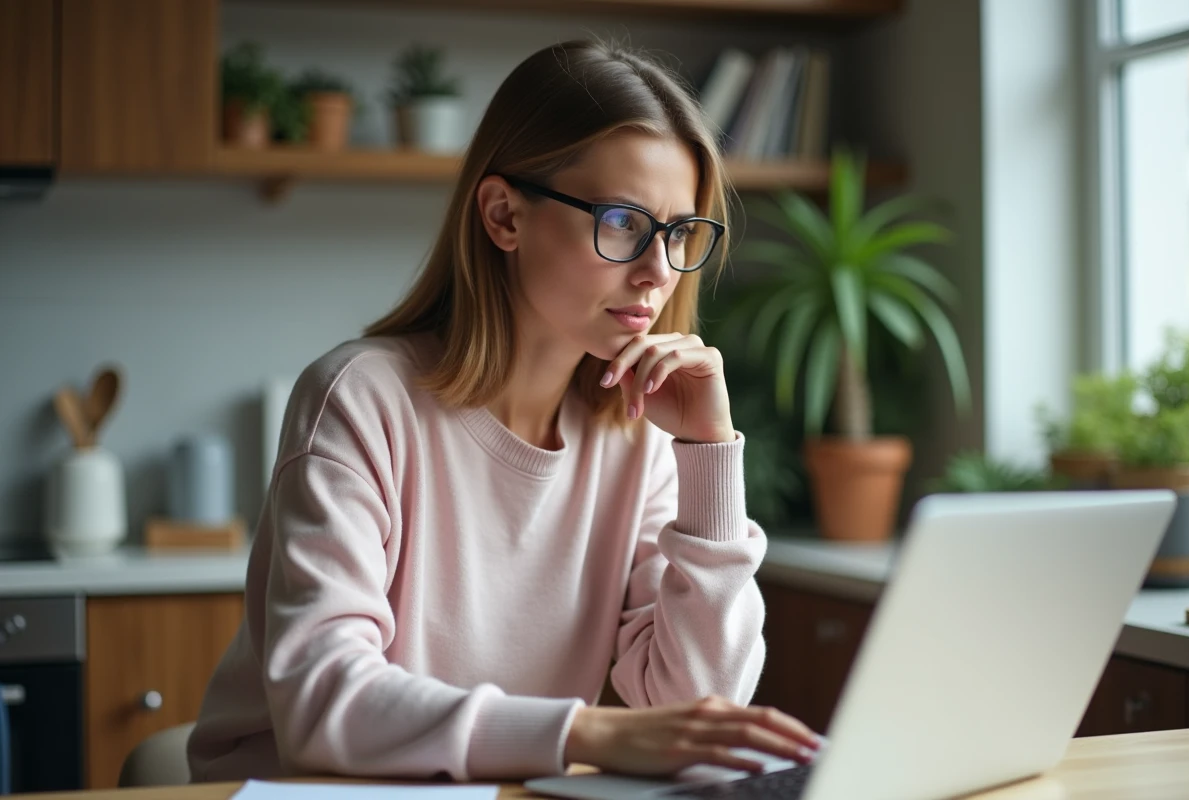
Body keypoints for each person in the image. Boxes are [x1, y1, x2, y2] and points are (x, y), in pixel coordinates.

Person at [187, 39, 822, 784]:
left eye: (680, 233)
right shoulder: (361, 400)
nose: (657, 270)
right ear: (503, 216)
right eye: (622, 221)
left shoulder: (639, 438)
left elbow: (696, 702)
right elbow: (324, 703)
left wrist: (710, 453)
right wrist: (585, 732)